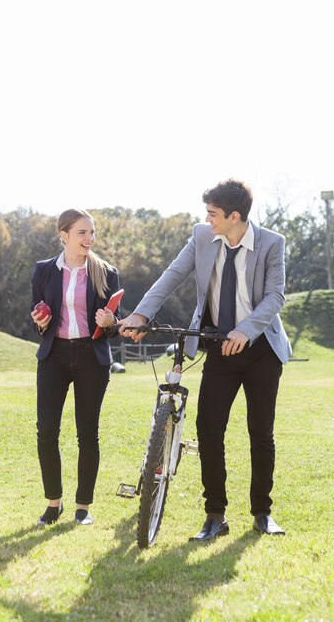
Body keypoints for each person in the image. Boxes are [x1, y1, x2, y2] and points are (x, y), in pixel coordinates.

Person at [120, 178, 291, 541]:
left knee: (260, 432)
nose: (207, 219)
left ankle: (263, 512)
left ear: (234, 216)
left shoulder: (271, 244)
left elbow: (275, 296)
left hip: (260, 349)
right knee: (209, 428)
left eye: (213, 214)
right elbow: (172, 276)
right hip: (217, 345)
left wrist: (246, 329)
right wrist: (140, 314)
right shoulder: (201, 236)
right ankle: (215, 515)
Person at [31, 208, 120, 527]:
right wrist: (40, 321)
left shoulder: (106, 272)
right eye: (82, 232)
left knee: (88, 433)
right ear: (64, 235)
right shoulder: (44, 271)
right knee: (47, 431)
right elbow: (38, 317)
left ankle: (82, 507)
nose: (90, 238)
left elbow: (113, 324)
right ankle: (53, 503)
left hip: (90, 359)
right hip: (53, 356)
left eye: (92, 232)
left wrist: (111, 321)